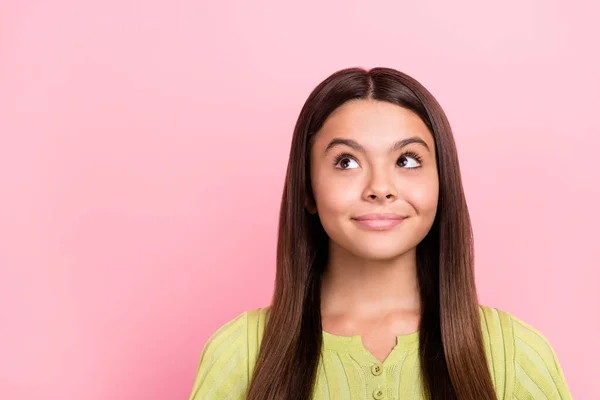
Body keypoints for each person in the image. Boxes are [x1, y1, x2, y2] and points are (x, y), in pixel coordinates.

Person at [187, 67, 572, 399]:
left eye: (407, 160)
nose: (380, 187)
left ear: (442, 182)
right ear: (307, 188)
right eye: (347, 161)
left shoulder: (514, 353)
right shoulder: (241, 352)